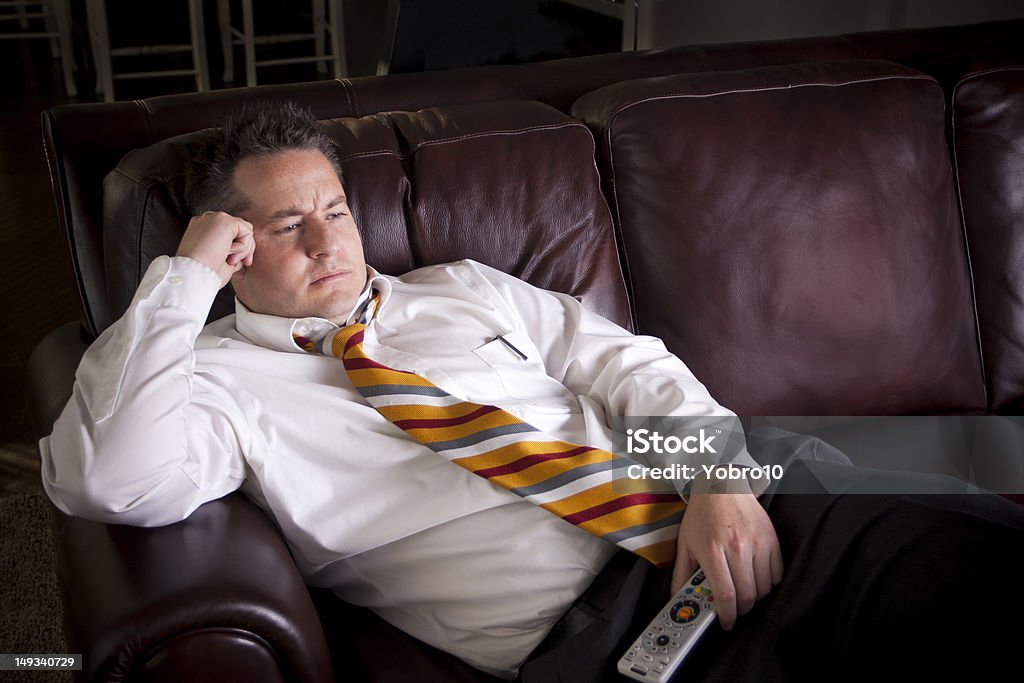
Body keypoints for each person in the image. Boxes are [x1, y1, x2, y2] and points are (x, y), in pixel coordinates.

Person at [40, 101, 1024, 681]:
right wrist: (182, 282)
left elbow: (627, 365)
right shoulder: (212, 381)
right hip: (605, 638)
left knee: (960, 571)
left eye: (334, 208)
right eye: (287, 222)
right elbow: (109, 482)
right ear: (233, 244)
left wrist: (719, 481)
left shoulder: (455, 287)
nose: (327, 239)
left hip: (744, 502)